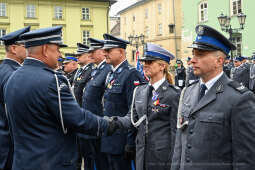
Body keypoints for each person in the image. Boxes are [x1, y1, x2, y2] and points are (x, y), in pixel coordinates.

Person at [3, 26, 117, 170]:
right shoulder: (52, 80)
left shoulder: (13, 78)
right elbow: (77, 119)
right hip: (52, 162)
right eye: (57, 49)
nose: (59, 54)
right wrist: (109, 124)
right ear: (45, 49)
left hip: (22, 163)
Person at [171, 25, 255, 170]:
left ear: (219, 61)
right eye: (193, 54)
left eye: (200, 55)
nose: (193, 60)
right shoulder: (188, 92)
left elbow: (245, 160)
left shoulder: (239, 99)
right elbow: (180, 146)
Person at [117, 43, 180, 170]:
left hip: (162, 158)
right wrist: (113, 122)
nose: (145, 65)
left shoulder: (174, 94)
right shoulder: (139, 91)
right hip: (141, 155)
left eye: (150, 62)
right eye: (144, 61)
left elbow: (176, 133)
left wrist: (175, 163)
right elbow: (132, 119)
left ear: (162, 66)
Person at [101, 34, 144, 170]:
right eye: (104, 50)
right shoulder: (111, 74)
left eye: (108, 50)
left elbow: (134, 112)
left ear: (120, 52)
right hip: (109, 138)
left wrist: (130, 142)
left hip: (122, 142)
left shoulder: (131, 74)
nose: (104, 53)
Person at [0, 26, 30, 170]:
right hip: (10, 141)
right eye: (25, 46)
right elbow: (13, 112)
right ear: (13, 48)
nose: (28, 50)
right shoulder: (13, 74)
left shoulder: (3, 69)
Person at [79, 38, 111, 170]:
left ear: (102, 52)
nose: (90, 54)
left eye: (93, 51)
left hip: (99, 124)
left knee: (101, 161)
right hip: (91, 124)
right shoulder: (97, 70)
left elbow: (106, 99)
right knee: (92, 159)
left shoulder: (107, 69)